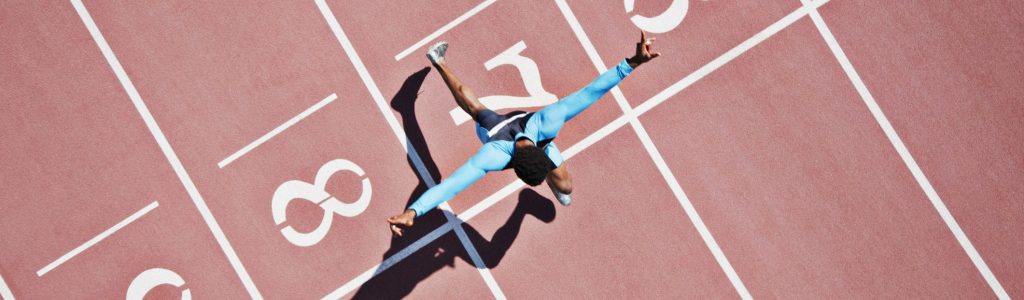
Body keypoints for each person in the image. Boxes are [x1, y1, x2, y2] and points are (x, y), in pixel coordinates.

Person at [388, 31, 661, 236]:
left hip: (527, 135)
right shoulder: (494, 154)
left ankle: (429, 75)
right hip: (495, 133)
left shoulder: (547, 123)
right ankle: (439, 61)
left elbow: (591, 93)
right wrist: (414, 211)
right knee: (475, 109)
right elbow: (450, 185)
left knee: (564, 187)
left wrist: (633, 63)